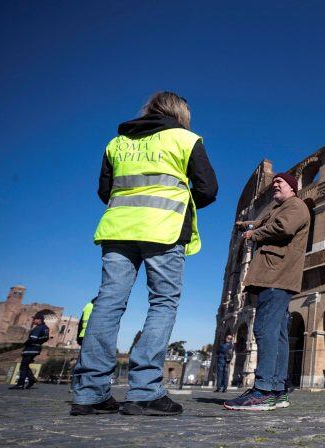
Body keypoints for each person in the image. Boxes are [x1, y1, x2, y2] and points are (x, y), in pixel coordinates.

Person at [70, 91, 218, 416]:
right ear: (180, 113)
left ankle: (89, 393)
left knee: (108, 302)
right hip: (164, 227)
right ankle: (145, 390)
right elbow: (208, 189)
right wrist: (178, 198)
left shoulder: (116, 143)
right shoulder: (185, 139)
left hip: (118, 228)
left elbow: (103, 190)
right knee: (163, 302)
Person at [224, 173, 310, 411]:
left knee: (265, 330)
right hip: (277, 276)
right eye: (274, 182)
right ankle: (278, 390)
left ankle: (263, 390)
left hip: (276, 276)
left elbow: (283, 227)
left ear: (293, 188)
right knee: (279, 334)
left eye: (279, 182)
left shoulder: (296, 205)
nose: (275, 184)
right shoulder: (284, 207)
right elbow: (267, 221)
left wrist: (254, 234)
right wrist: (248, 225)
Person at [9, 312, 50, 390]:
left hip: (31, 348)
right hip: (37, 348)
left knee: (23, 366)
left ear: (39, 320)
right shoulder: (46, 328)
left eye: (35, 319)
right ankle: (31, 379)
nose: (33, 320)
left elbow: (32, 338)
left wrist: (26, 344)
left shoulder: (38, 328)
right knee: (25, 365)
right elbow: (45, 338)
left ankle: (21, 384)